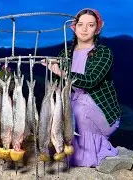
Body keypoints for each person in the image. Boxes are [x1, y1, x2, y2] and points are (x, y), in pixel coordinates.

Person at [43, 8, 121, 167]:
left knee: (76, 111)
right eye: (81, 24)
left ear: (97, 29)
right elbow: (61, 84)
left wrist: (63, 73)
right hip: (72, 101)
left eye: (90, 25)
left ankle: (83, 155)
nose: (85, 29)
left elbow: (91, 80)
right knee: (56, 111)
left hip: (100, 110)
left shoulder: (103, 53)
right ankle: (59, 147)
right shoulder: (65, 53)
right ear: (74, 27)